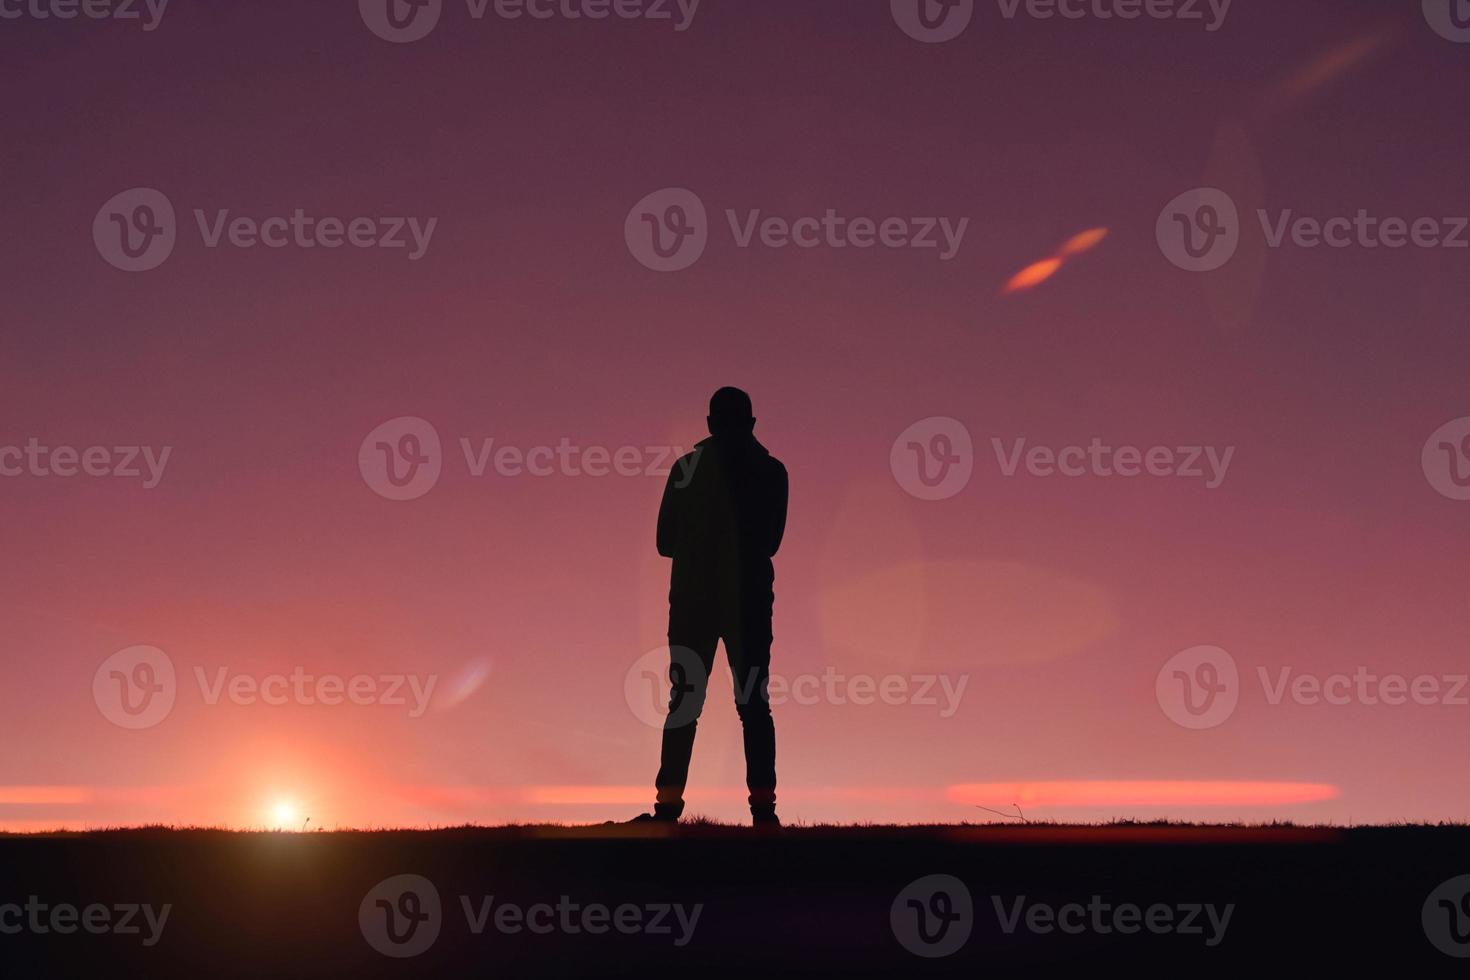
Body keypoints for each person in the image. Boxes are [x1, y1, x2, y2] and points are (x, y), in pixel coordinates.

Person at [634, 387, 788, 827]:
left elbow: (666, 541)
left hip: (698, 602)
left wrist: (700, 543)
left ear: (710, 424)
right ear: (751, 424)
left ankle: (669, 810)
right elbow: (771, 540)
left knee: (690, 703)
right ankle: (763, 813)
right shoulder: (771, 472)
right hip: (741, 602)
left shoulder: (687, 470)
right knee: (750, 703)